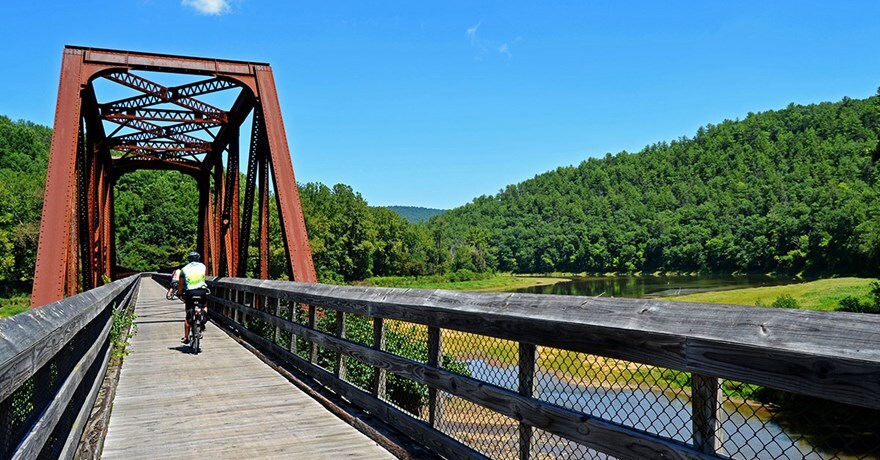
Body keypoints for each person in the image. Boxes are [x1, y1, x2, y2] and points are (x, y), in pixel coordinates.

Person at [179, 251, 208, 344]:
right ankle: (203, 320)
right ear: (198, 258)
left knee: (188, 313)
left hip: (190, 292)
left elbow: (180, 283)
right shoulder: (203, 266)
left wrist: (180, 293)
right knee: (204, 306)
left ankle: (186, 337)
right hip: (202, 291)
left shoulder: (184, 269)